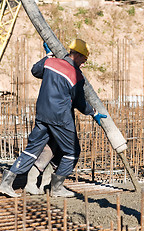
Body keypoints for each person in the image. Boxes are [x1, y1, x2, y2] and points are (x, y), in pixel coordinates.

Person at [0, 39, 107, 198]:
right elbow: (79, 102)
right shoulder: (76, 75)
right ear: (76, 55)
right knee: (72, 152)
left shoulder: (51, 63)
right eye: (83, 60)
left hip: (42, 114)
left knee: (32, 150)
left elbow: (35, 71)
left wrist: (47, 56)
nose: (83, 64)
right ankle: (56, 188)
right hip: (60, 117)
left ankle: (6, 183)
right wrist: (94, 113)